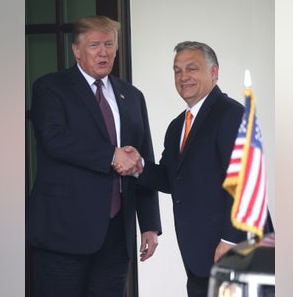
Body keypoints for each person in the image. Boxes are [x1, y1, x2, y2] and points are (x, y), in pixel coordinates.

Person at [115, 41, 273, 297]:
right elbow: (169, 178)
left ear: (214, 72)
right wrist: (138, 166)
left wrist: (230, 241)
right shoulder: (178, 126)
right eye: (177, 70)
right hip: (200, 257)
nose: (183, 76)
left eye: (192, 68)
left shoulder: (232, 115)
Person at [25, 15, 162, 297]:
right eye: (94, 45)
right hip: (63, 233)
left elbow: (141, 159)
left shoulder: (132, 96)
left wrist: (149, 225)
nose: (103, 52)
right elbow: (54, 140)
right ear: (76, 50)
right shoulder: (50, 88)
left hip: (116, 235)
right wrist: (111, 155)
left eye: (109, 44)